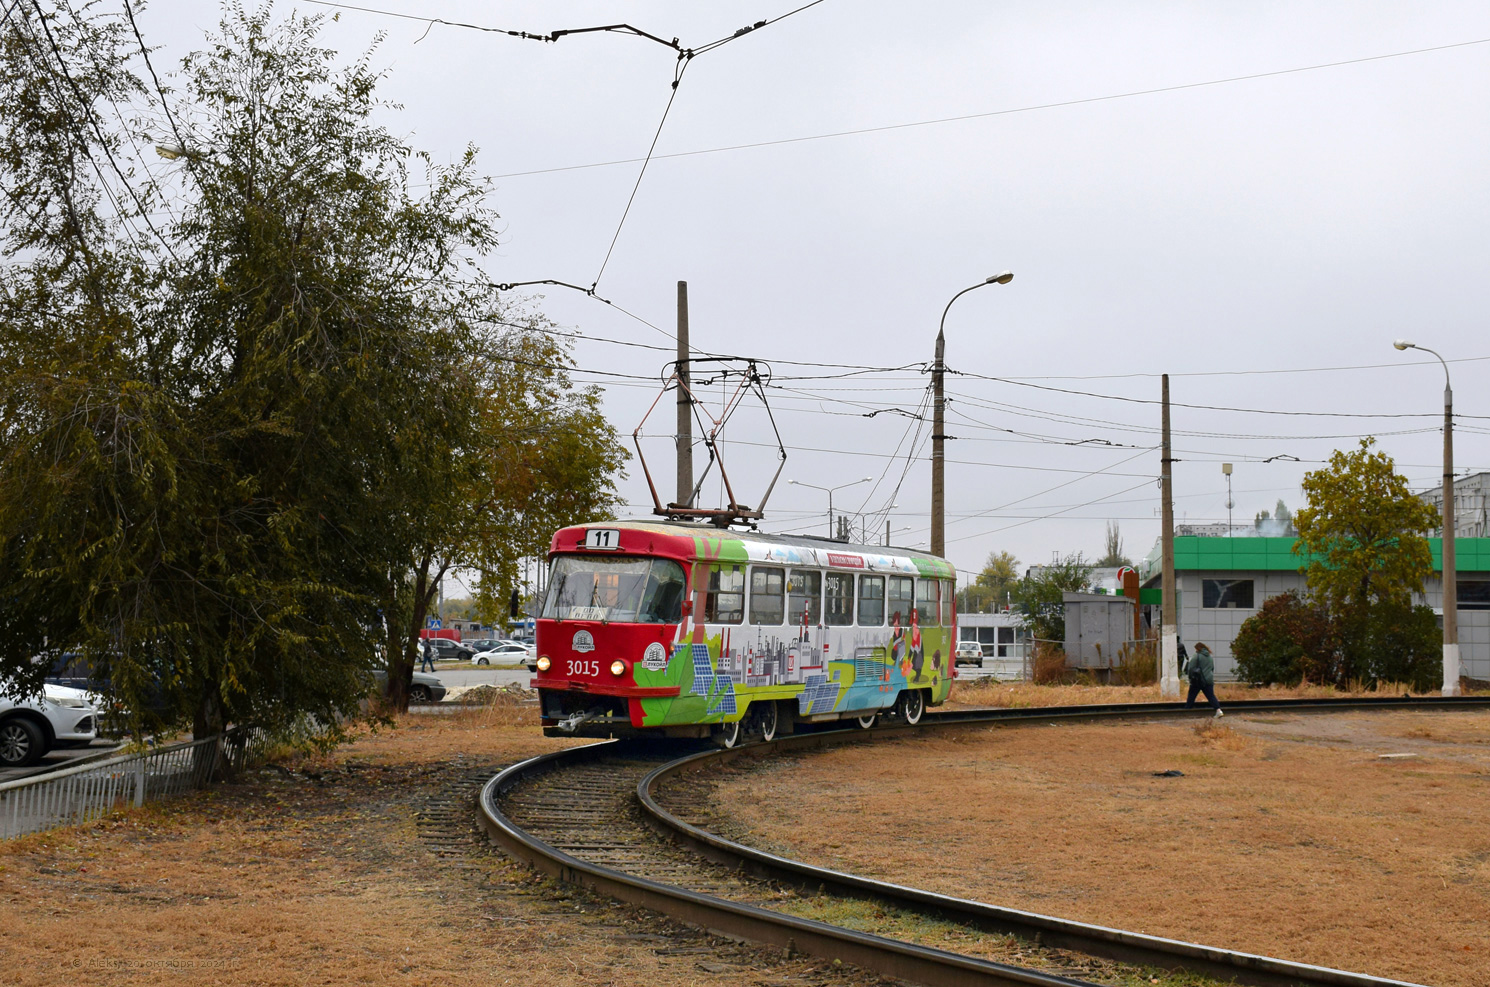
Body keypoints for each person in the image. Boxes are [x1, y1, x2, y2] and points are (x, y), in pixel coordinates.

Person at [1184, 642, 1222, 716]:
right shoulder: (1209, 657)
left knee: (1192, 695)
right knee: (1211, 696)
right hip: (1208, 680)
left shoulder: (1196, 656)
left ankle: (1187, 710)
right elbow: (1212, 668)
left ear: (1198, 648)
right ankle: (1218, 710)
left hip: (1198, 680)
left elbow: (1191, 668)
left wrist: (1190, 678)